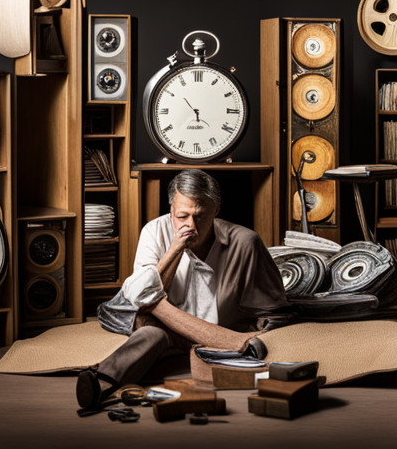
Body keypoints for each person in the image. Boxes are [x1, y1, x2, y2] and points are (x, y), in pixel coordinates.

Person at [77, 169, 290, 408]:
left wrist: (255, 335)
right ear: (171, 209)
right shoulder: (154, 232)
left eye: (199, 217)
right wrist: (175, 249)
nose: (190, 225)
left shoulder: (245, 242)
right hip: (168, 329)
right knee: (149, 333)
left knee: (148, 299)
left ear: (216, 211)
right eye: (182, 216)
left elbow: (272, 310)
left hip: (217, 333)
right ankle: (102, 382)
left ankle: (232, 344)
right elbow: (139, 297)